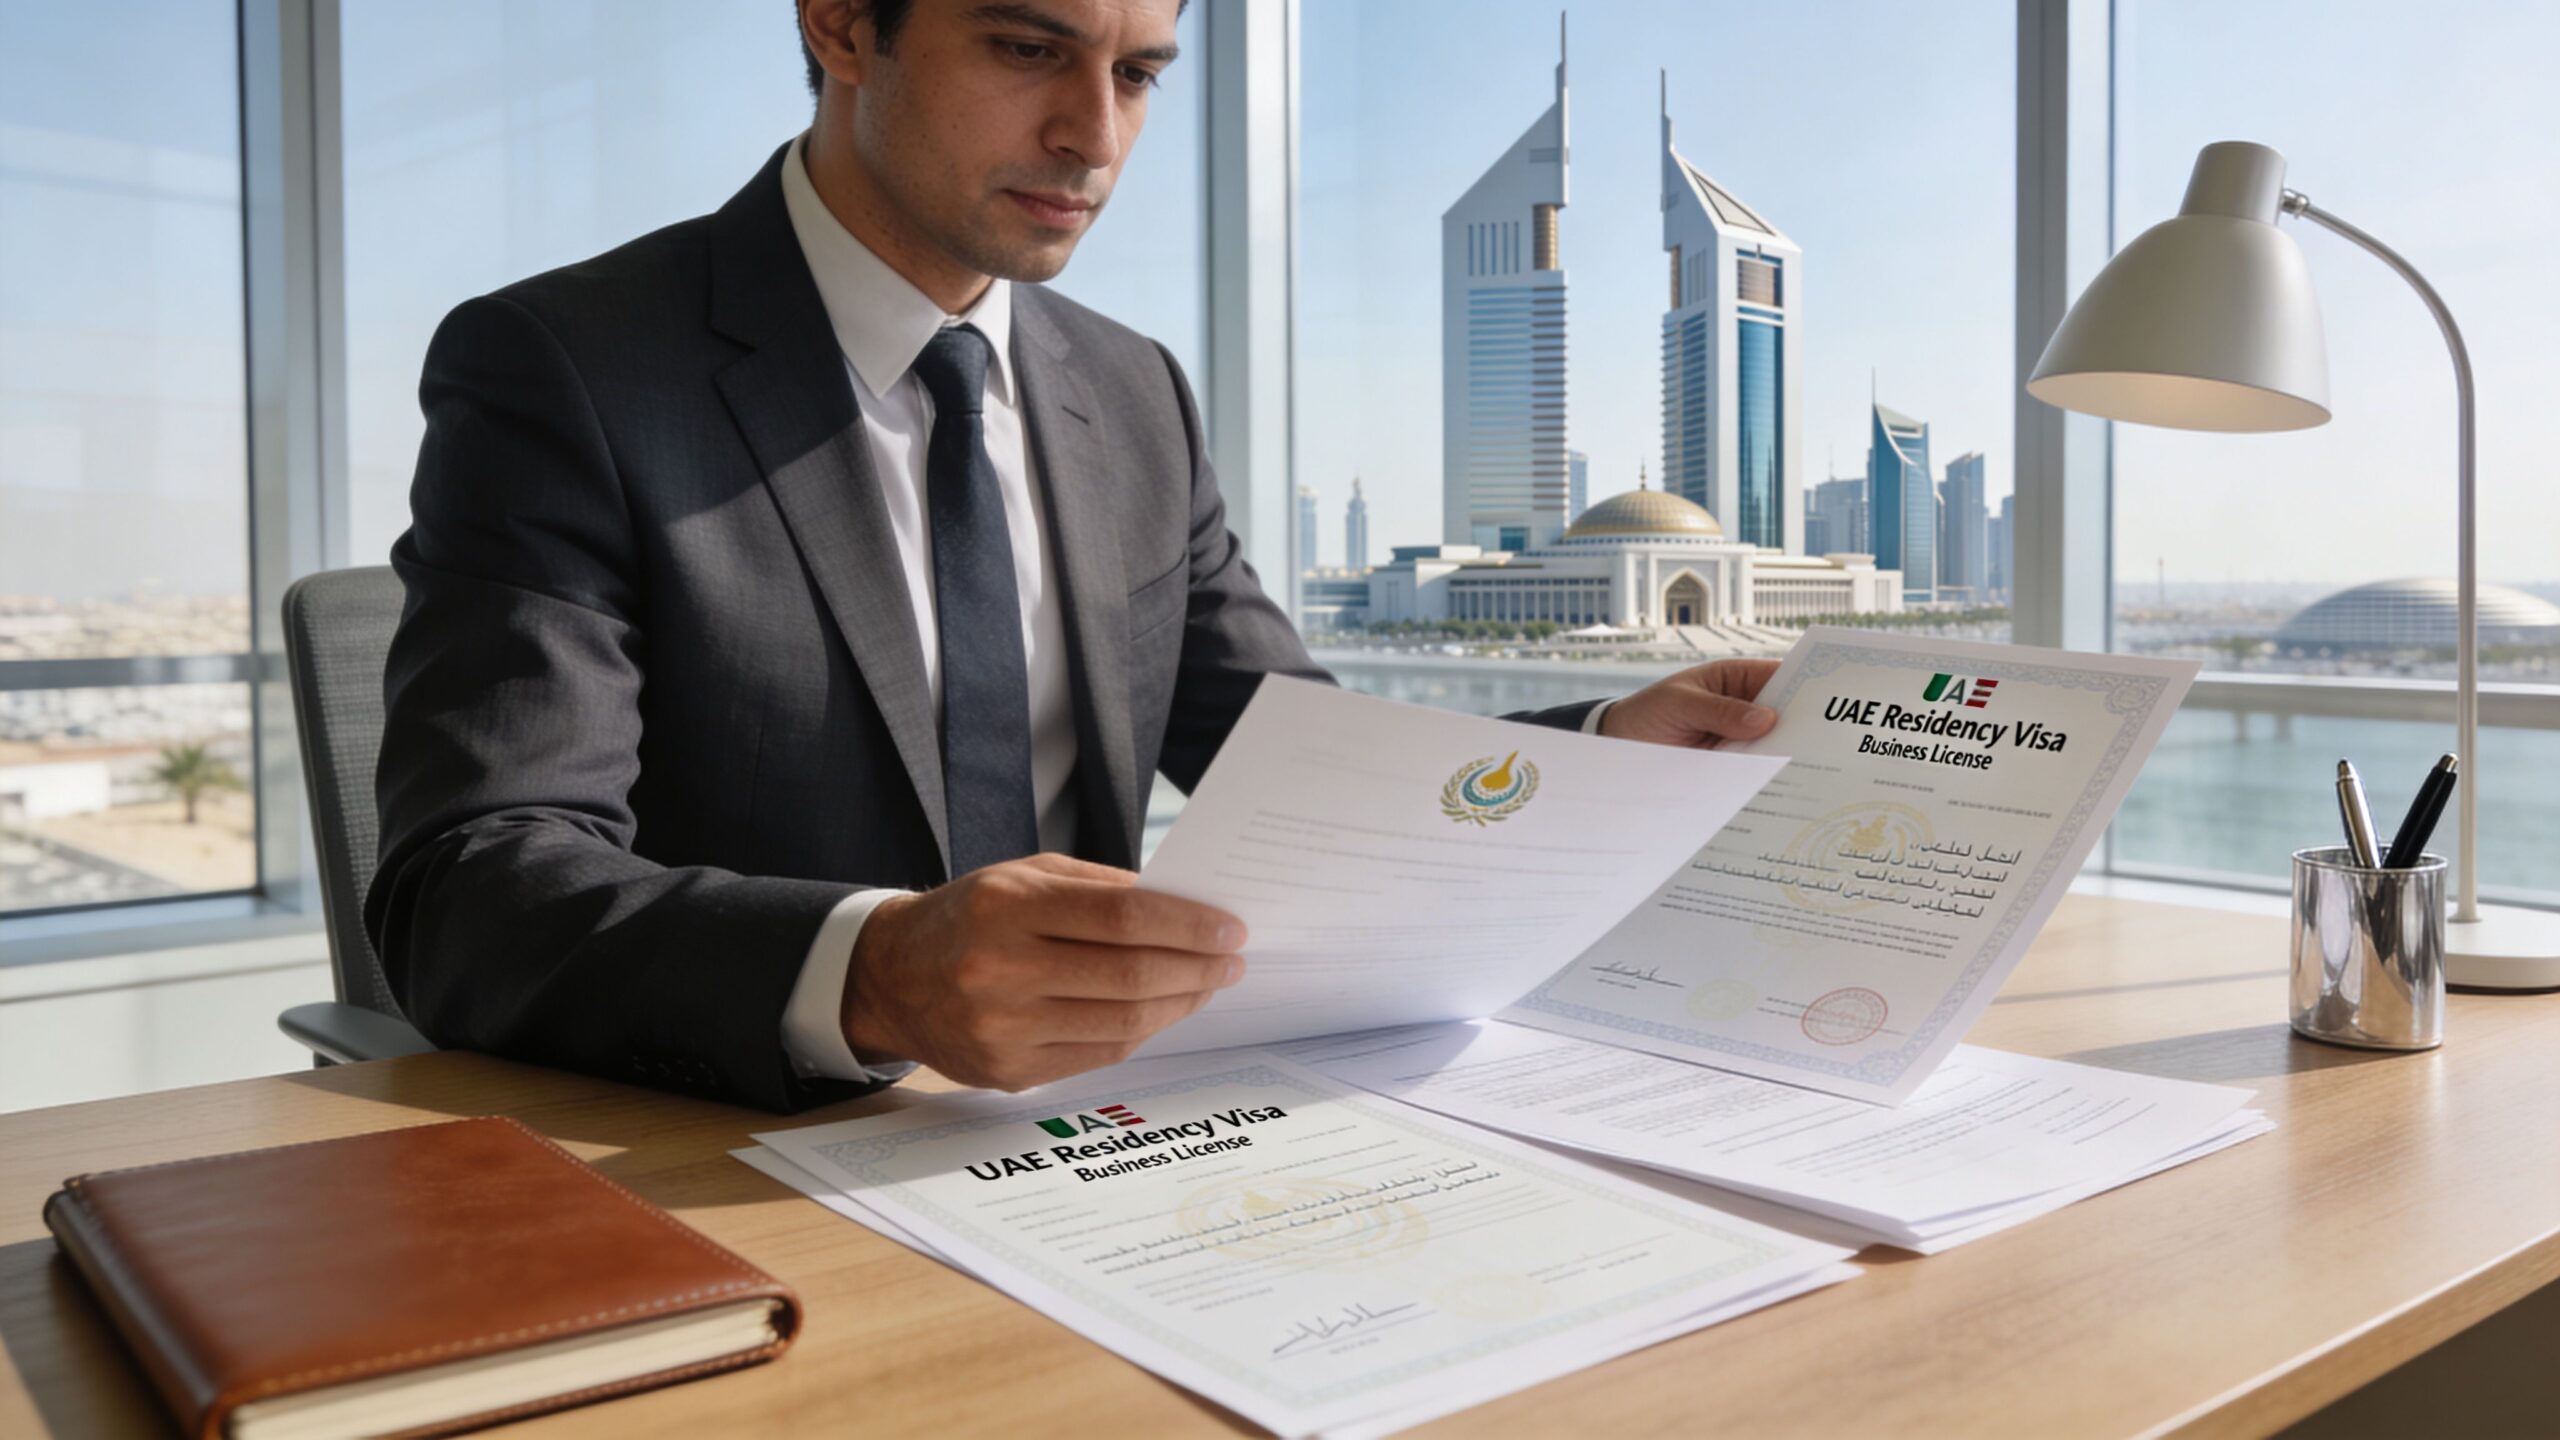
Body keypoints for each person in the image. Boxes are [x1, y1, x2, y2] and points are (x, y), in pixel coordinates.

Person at [367, 0, 1779, 1112]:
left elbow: (1293, 758)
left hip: (1111, 1134)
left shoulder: (1134, 392)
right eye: (1030, 48)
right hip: (746, 1150)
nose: (1094, 137)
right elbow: (472, 889)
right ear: (842, 23)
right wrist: (874, 972)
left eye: (1141, 75)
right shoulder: (568, 366)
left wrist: (1605, 743)